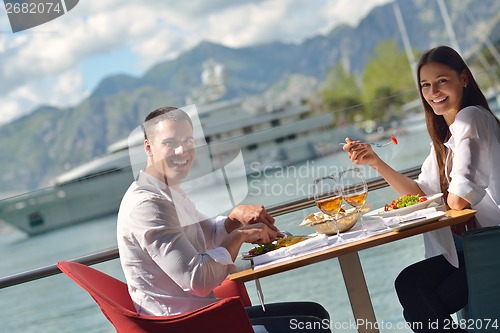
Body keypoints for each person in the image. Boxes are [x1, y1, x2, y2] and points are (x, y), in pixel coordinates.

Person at [117, 106, 331, 332]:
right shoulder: (147, 204)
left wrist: (234, 219)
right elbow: (197, 279)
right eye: (170, 143)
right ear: (148, 147)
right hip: (187, 325)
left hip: (208, 315)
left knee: (314, 314)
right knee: (310, 327)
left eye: (188, 141)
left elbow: (207, 237)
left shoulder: (168, 191)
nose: (182, 150)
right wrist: (240, 235)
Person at [341, 45, 500, 332]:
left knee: (416, 299)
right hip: (471, 250)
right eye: (425, 85)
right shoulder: (445, 138)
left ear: (463, 78)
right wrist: (375, 162)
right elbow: (421, 194)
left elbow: (459, 200)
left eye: (441, 81)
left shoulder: (471, 119)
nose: (433, 91)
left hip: (491, 248)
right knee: (411, 289)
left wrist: (447, 198)